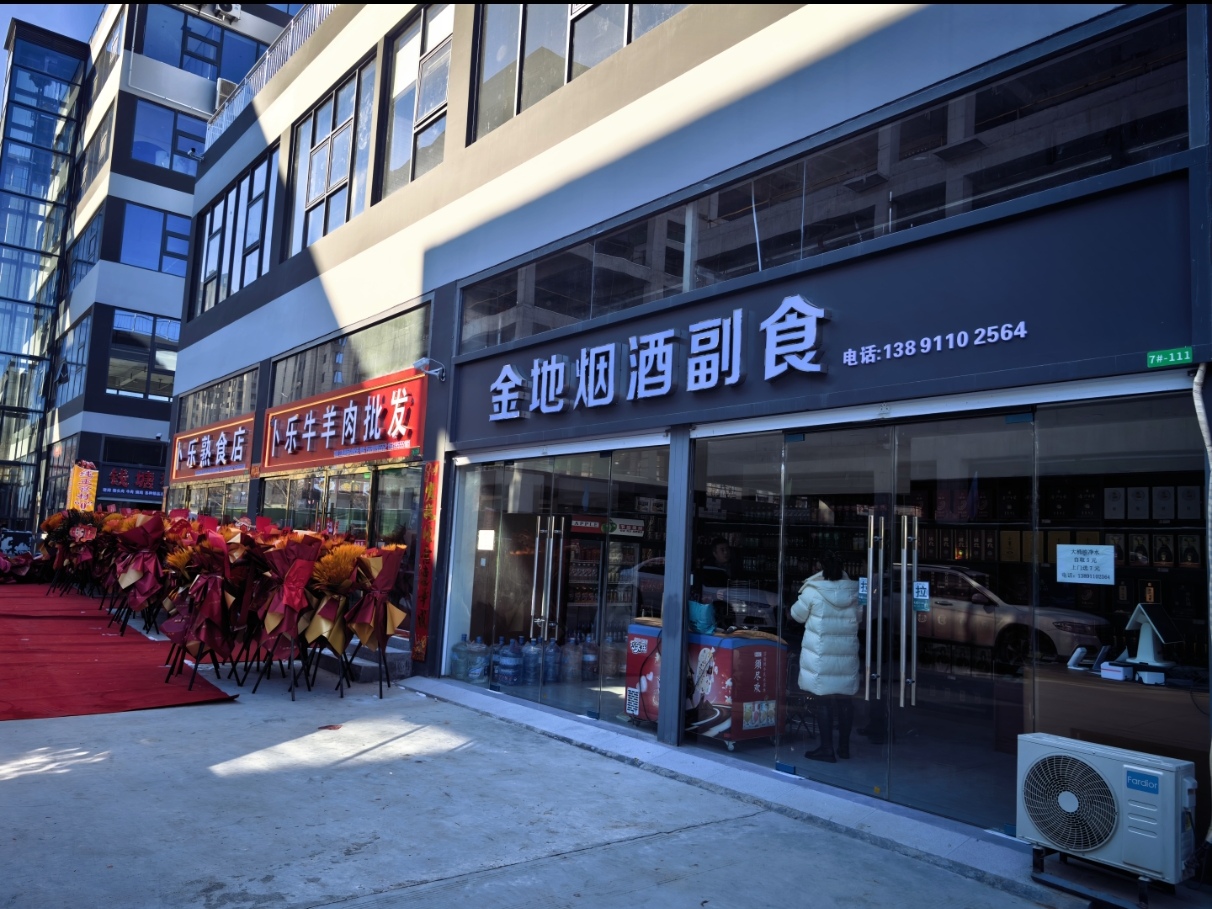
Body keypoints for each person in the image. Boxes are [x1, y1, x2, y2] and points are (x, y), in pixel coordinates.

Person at [790, 553, 860, 763]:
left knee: (824, 701)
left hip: (821, 656)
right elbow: (861, 617)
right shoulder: (854, 592)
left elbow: (796, 615)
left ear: (820, 569)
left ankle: (827, 748)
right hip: (846, 655)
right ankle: (844, 748)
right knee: (845, 700)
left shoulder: (813, 591)